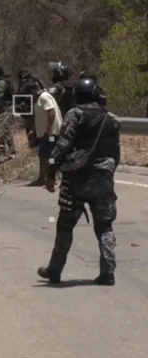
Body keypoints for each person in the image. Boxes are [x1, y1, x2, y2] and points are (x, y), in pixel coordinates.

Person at [39, 76, 119, 286]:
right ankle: (108, 272)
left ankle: (55, 271)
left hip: (76, 179)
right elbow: (116, 153)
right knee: (104, 226)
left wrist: (50, 172)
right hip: (103, 178)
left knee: (65, 225)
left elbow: (62, 145)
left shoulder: (75, 114)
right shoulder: (112, 119)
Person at [24, 79, 63, 186]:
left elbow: (51, 112)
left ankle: (45, 178)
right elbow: (40, 117)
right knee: (46, 156)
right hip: (46, 134)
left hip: (50, 134)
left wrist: (47, 128)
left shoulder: (44, 97)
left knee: (46, 156)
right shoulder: (39, 100)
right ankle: (47, 177)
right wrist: (34, 130)